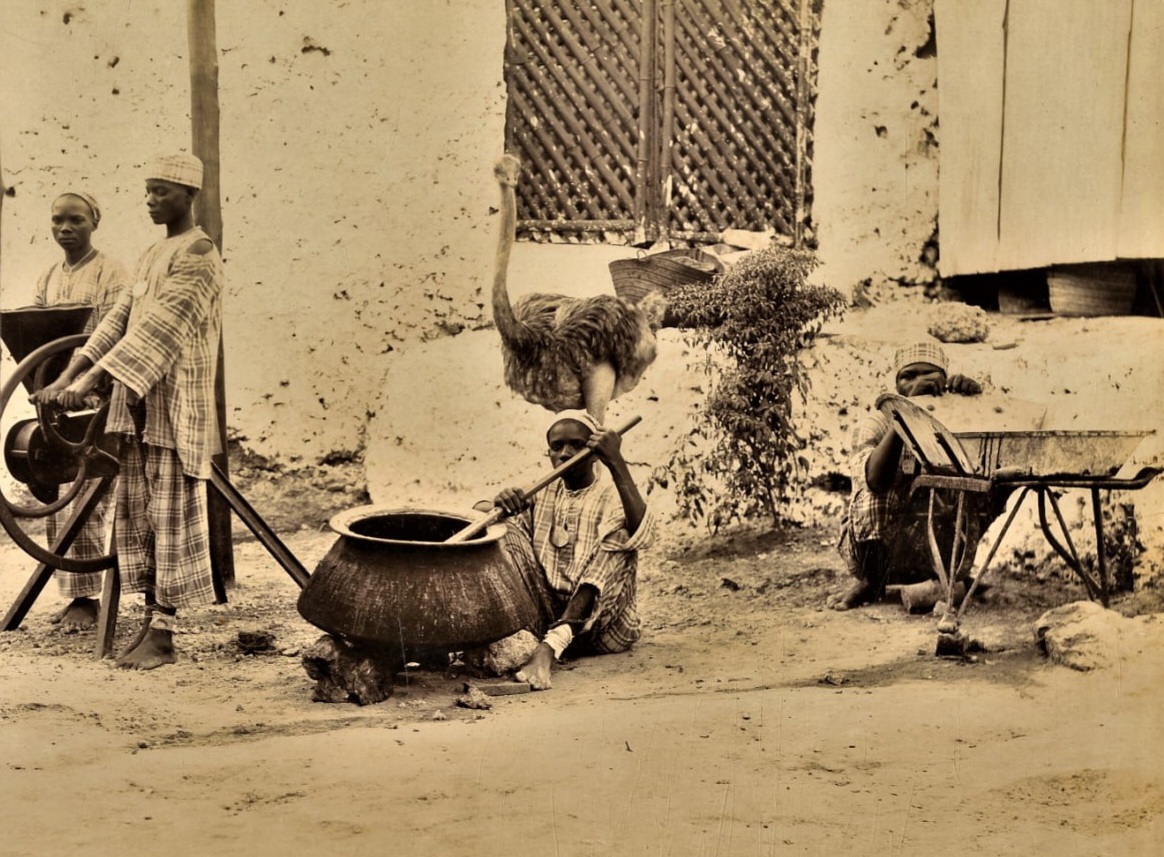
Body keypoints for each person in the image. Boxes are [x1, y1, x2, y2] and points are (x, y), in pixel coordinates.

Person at [31, 153, 224, 669]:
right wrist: (69, 376)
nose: (151, 200)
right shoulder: (151, 255)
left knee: (170, 514)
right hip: (135, 404)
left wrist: (92, 379)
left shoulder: (200, 253)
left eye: (162, 191)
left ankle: (164, 633)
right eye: (148, 190)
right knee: (138, 513)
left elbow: (159, 331)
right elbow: (117, 322)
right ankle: (147, 620)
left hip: (174, 403)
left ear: (189, 195)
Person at [486, 410, 655, 690]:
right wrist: (499, 505)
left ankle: (548, 651)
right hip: (544, 619)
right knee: (506, 532)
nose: (565, 454)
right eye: (557, 446)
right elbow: (484, 518)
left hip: (601, 629)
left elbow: (643, 535)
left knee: (620, 536)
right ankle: (543, 640)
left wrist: (616, 461)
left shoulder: (613, 494)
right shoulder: (541, 491)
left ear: (595, 451)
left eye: (577, 445)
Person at [33, 191, 129, 631]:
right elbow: (33, 334)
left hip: (100, 396)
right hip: (59, 397)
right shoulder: (49, 276)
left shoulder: (112, 274)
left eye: (76, 220)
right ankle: (76, 593)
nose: (66, 228)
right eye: (58, 221)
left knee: (89, 490)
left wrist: (85, 383)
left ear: (96, 220)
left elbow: (115, 337)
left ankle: (88, 599)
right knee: (58, 485)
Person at [830, 342, 983, 611]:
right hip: (881, 552)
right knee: (875, 496)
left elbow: (979, 470)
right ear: (896, 385)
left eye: (927, 376)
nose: (916, 383)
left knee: (981, 483)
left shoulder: (954, 415)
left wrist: (972, 404)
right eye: (907, 376)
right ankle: (871, 583)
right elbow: (874, 479)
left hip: (931, 547)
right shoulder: (877, 422)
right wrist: (907, 411)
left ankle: (951, 574)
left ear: (943, 383)